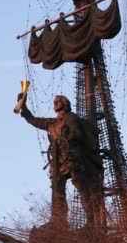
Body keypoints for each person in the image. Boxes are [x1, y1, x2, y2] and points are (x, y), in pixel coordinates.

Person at [19, 93, 105, 228]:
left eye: (59, 101)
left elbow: (78, 134)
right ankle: (59, 221)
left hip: (72, 158)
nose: (56, 103)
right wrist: (23, 107)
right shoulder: (51, 123)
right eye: (54, 101)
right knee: (57, 191)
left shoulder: (71, 118)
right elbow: (33, 120)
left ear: (65, 104)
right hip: (57, 161)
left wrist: (67, 138)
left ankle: (91, 220)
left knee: (82, 187)